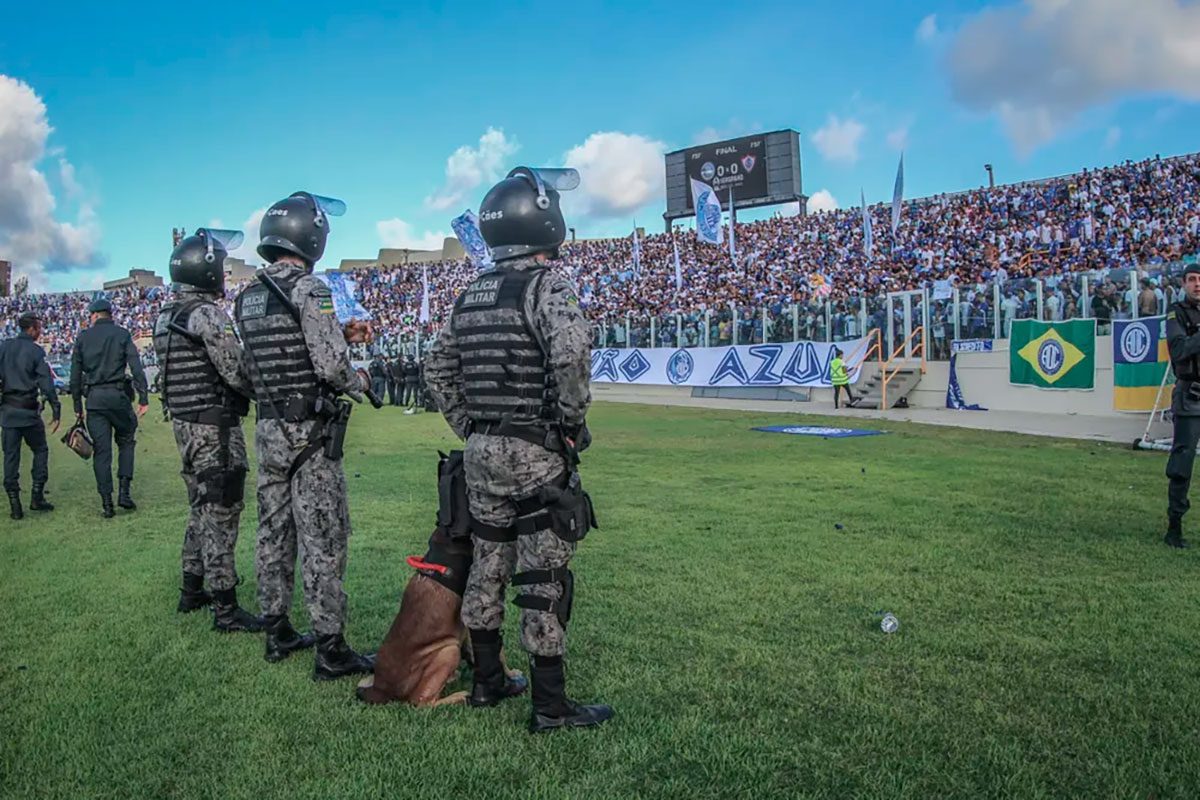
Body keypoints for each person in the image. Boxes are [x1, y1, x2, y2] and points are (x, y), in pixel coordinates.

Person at [425, 166, 612, 733]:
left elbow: (436, 366)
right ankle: (550, 705)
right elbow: (571, 355)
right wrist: (572, 421)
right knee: (543, 575)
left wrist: (470, 426)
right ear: (543, 220)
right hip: (535, 450)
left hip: (481, 451)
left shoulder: (469, 294)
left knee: (488, 562)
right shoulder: (546, 286)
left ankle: (487, 681)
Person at [234, 191, 373, 680]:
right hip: (308, 433)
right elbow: (331, 366)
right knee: (324, 535)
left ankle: (277, 629)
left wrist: (342, 336)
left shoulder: (246, 297)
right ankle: (331, 648)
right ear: (309, 235)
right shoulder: (309, 288)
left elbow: (249, 367)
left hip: (268, 426)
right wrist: (359, 382)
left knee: (272, 531)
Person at [154, 228, 263, 631]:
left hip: (184, 424)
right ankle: (225, 607)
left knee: (199, 507)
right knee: (221, 510)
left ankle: (191, 588)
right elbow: (235, 370)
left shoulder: (166, 315)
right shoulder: (206, 315)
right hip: (213, 429)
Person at [70, 298, 148, 518]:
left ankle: (107, 503)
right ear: (110, 314)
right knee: (126, 442)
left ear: (94, 316)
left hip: (94, 399)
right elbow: (135, 365)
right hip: (118, 396)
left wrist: (77, 405)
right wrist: (143, 397)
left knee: (102, 452)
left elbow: (75, 375)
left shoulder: (83, 338)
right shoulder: (122, 334)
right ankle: (124, 492)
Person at [1, 312, 61, 520]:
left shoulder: (4, 347)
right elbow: (46, 382)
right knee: (40, 450)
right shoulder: (36, 352)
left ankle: (14, 503)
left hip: (8, 411)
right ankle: (36, 496)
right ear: (32, 329)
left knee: (10, 456)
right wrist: (55, 407)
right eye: (39, 328)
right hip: (28, 411)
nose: (40, 332)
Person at [1164, 263, 1200, 548]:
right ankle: (1174, 527)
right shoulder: (1175, 313)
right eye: (1192, 280)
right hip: (1191, 396)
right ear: (1184, 284)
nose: (1197, 284)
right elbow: (1179, 349)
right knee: (1182, 462)